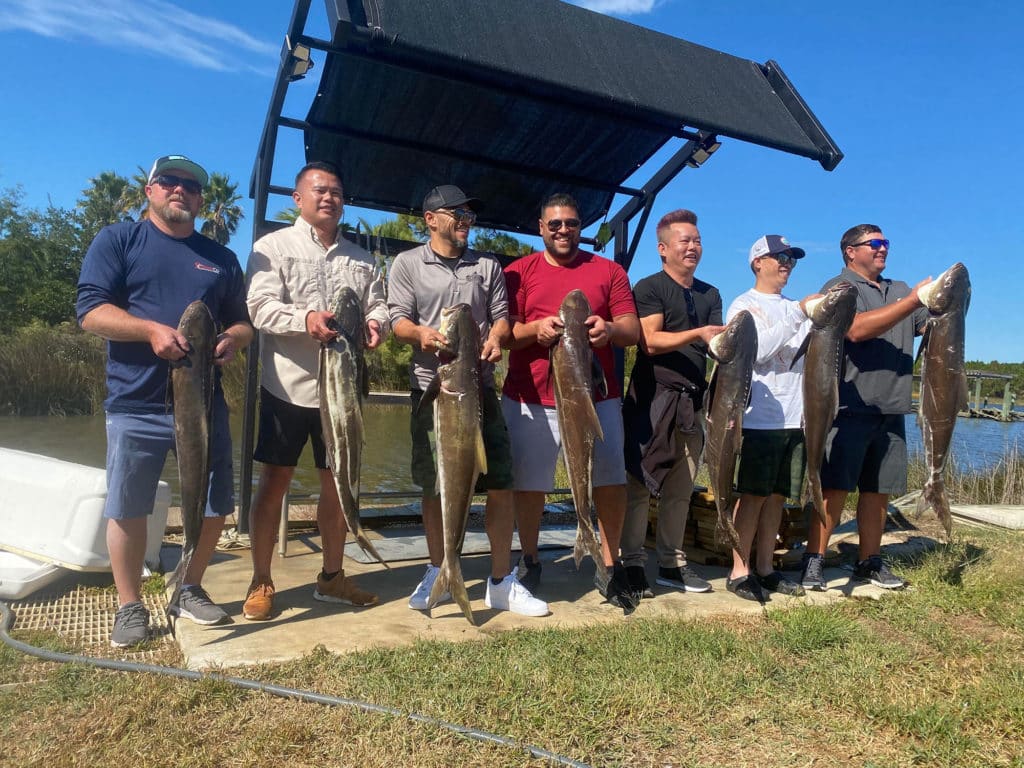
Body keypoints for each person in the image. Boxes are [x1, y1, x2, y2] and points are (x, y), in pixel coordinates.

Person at [77, 154, 253, 648]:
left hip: (203, 404)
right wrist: (149, 330)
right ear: (150, 190)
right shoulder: (119, 240)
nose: (181, 191)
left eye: (191, 187)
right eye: (169, 182)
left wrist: (234, 340)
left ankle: (190, 586)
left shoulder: (221, 258)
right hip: (135, 403)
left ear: (201, 200)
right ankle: (130, 604)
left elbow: (242, 321)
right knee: (129, 505)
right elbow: (90, 311)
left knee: (216, 501)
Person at [388, 184, 548, 617]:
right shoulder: (406, 264)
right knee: (433, 483)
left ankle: (499, 580)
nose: (465, 221)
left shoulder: (488, 265)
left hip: (480, 390)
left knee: (500, 482)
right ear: (431, 219)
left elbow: (502, 319)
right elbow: (396, 320)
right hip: (432, 389)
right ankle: (438, 567)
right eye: (456, 213)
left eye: (469, 215)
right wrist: (420, 334)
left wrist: (497, 339)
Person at [243, 161, 388, 620]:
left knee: (337, 484)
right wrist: (304, 320)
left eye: (337, 192)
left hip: (343, 395)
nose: (329, 198)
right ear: (298, 198)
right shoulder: (271, 247)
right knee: (274, 482)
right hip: (288, 387)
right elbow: (259, 308)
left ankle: (332, 577)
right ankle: (261, 579)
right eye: (320, 190)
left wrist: (376, 324)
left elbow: (380, 305)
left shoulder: (362, 260)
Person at [502, 193, 640, 609]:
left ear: (582, 228)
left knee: (611, 480)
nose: (564, 230)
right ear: (540, 227)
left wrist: (609, 330)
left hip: (597, 396)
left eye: (572, 224)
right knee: (529, 484)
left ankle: (608, 561)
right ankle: (529, 559)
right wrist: (535, 331)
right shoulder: (518, 271)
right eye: (555, 224)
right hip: (531, 395)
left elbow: (633, 330)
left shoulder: (609, 270)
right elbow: (503, 331)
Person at [800, 225, 929, 591]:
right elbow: (854, 330)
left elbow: (924, 324)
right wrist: (912, 302)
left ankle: (869, 562)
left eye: (886, 242)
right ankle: (815, 560)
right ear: (850, 251)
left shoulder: (900, 290)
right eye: (874, 243)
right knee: (833, 489)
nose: (882, 248)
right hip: (848, 405)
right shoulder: (840, 289)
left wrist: (942, 300)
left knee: (878, 492)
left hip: (892, 407)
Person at [620, 209, 723, 602]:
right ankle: (631, 562)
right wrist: (697, 333)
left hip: (692, 403)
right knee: (639, 484)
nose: (693, 246)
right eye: (685, 240)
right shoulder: (650, 287)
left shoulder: (711, 293)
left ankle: (671, 562)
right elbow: (648, 341)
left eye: (697, 240)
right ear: (663, 249)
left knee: (682, 485)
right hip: (651, 400)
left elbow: (716, 348)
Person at [724, 235, 815, 601]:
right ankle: (739, 568)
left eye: (791, 258)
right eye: (779, 257)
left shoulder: (796, 308)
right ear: (757, 262)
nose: (786, 263)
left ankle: (765, 566)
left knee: (778, 496)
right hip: (760, 418)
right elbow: (756, 351)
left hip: (796, 419)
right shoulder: (744, 307)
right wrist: (798, 315)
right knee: (753, 495)